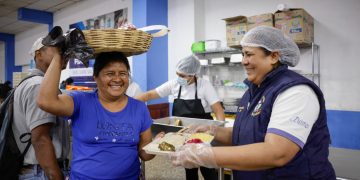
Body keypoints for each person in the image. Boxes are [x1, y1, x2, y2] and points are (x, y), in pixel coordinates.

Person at [169, 26, 336, 179]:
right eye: (243, 54)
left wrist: (205, 155)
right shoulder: (253, 90)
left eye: (249, 54)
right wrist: (213, 132)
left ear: (273, 56)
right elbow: (248, 134)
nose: (243, 61)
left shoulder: (295, 91)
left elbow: (277, 152)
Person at [37, 50, 160, 179]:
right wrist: (58, 56)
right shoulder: (80, 101)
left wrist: (156, 146)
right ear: (95, 77)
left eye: (123, 73)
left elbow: (144, 154)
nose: (117, 79)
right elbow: (45, 101)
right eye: (110, 74)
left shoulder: (139, 108)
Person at [136, 55, 225, 180]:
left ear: (192, 74)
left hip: (202, 134)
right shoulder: (174, 84)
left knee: (207, 168)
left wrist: (219, 132)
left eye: (182, 76)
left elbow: (218, 109)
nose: (179, 78)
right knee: (189, 167)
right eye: (178, 74)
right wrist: (127, 102)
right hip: (183, 134)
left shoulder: (204, 86)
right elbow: (150, 94)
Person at [12, 37, 70, 179]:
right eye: (58, 50)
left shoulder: (34, 83)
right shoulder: (38, 86)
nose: (63, 55)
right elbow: (40, 138)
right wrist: (55, 175)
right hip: (42, 172)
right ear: (38, 54)